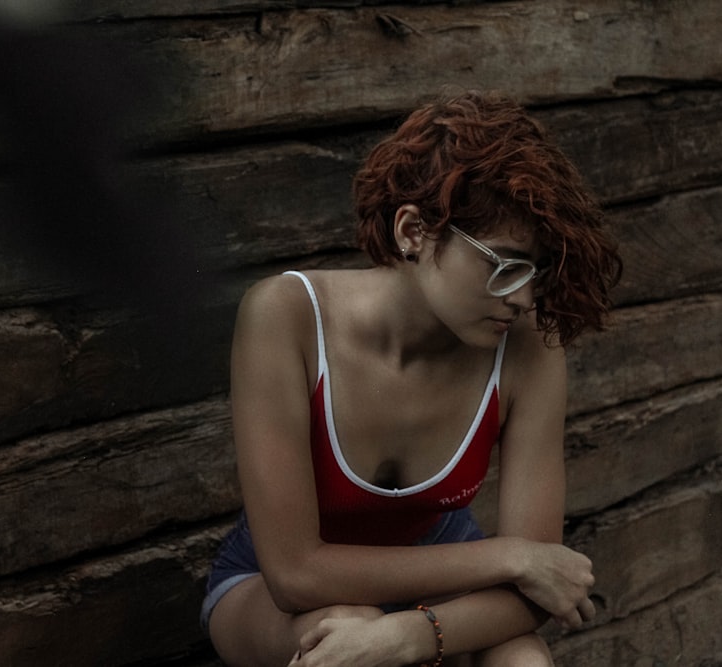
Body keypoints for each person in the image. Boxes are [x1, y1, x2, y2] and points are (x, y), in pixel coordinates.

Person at [201, 90, 623, 666]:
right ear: (413, 231)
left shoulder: (529, 351)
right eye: (502, 266)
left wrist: (409, 635)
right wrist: (512, 557)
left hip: (443, 572)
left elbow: (540, 587)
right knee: (343, 635)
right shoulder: (286, 315)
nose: (524, 298)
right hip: (275, 593)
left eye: (536, 271)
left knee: (522, 662)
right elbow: (295, 574)